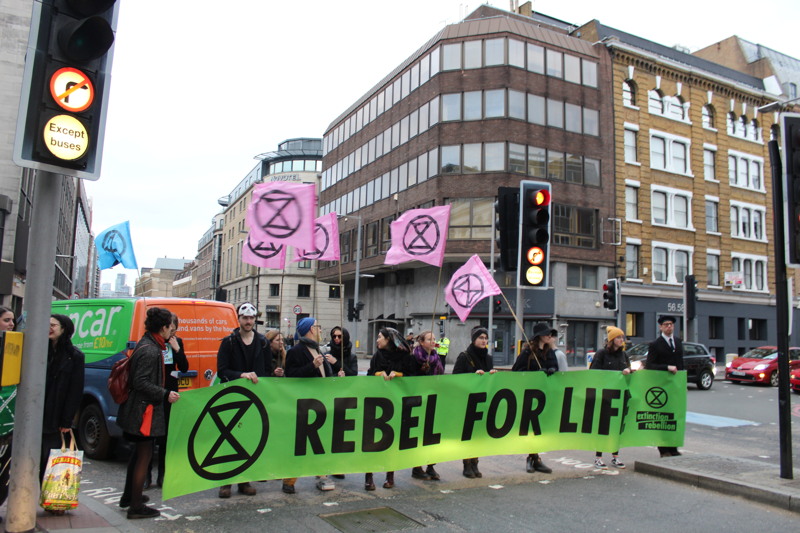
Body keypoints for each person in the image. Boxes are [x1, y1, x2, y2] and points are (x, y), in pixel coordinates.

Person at [116, 307, 179, 519]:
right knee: (144, 456)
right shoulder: (151, 350)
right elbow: (140, 381)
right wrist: (165, 393)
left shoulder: (149, 343)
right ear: (163, 328)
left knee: (139, 455)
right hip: (144, 411)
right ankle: (135, 506)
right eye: (171, 326)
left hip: (143, 409)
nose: (173, 330)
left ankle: (131, 496)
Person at [215, 302, 273, 498]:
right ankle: (226, 481)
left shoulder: (263, 342)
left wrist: (274, 373)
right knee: (228, 439)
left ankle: (244, 481)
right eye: (245, 318)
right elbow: (222, 370)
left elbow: (266, 370)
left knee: (248, 440)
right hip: (232, 397)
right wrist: (241, 375)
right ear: (238, 319)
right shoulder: (229, 342)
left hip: (254, 399)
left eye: (251, 318)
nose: (248, 321)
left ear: (255, 319)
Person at [286, 317, 342, 491]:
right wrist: (312, 365)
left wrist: (335, 378)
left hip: (322, 403)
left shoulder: (318, 350)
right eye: (318, 327)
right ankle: (289, 480)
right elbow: (291, 376)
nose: (320, 330)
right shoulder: (296, 351)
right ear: (310, 329)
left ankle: (322, 475)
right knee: (300, 443)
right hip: (305, 404)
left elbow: (324, 375)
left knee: (321, 442)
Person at [365, 327, 418, 490]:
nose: (377, 340)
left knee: (392, 440)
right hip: (377, 403)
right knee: (371, 441)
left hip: (396, 403)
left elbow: (413, 377)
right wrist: (378, 374)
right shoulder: (377, 356)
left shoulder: (405, 357)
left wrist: (399, 375)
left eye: (380, 337)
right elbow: (369, 374)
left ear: (389, 339)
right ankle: (369, 476)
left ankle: (390, 475)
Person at [147, 313, 189, 489]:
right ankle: (146, 475)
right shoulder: (154, 342)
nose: (171, 328)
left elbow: (185, 368)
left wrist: (177, 349)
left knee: (166, 436)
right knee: (149, 435)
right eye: (169, 325)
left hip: (170, 391)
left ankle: (163, 474)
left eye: (174, 325)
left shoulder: (176, 342)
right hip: (155, 390)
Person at [512, 322, 558, 475]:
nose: (549, 336)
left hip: (545, 395)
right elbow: (517, 370)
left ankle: (535, 458)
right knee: (531, 428)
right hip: (530, 396)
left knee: (541, 429)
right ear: (539, 336)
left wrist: (552, 370)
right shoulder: (527, 352)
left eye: (550, 334)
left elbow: (555, 368)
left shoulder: (549, 352)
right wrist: (535, 373)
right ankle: (531, 458)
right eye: (546, 334)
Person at [452, 326, 496, 478]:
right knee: (468, 433)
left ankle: (475, 462)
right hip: (467, 401)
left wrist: (492, 375)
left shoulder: (488, 358)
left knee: (478, 433)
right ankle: (467, 463)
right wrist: (473, 375)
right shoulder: (464, 356)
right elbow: (456, 377)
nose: (484, 341)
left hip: (482, 400)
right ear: (474, 340)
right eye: (481, 338)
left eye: (485, 338)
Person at [590, 326, 632, 469]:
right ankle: (598, 457)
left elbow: (630, 373)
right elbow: (593, 372)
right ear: (612, 340)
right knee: (603, 426)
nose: (622, 340)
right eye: (619, 337)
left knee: (616, 427)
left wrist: (628, 371)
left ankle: (615, 456)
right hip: (605, 396)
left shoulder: (624, 355)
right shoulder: (601, 354)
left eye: (623, 337)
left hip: (619, 397)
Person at [645, 315, 685, 458]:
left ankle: (674, 447)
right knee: (663, 418)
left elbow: (680, 364)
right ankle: (663, 449)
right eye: (666, 324)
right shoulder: (655, 344)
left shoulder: (678, 342)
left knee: (675, 417)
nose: (669, 327)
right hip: (661, 386)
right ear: (660, 327)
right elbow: (650, 365)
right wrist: (666, 367)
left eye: (671, 324)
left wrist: (682, 382)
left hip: (675, 386)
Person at [411, 330, 444, 481]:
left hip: (433, 399)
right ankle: (417, 467)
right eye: (430, 339)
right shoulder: (414, 358)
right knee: (419, 434)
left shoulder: (436, 358)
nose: (433, 341)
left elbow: (440, 377)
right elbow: (410, 377)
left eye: (434, 339)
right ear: (422, 342)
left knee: (432, 435)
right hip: (418, 401)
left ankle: (431, 465)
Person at [0, 307, 15, 521]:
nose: (11, 324)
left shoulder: (15, 345)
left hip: (7, 417)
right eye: (6, 320)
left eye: (12, 320)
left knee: (4, 465)